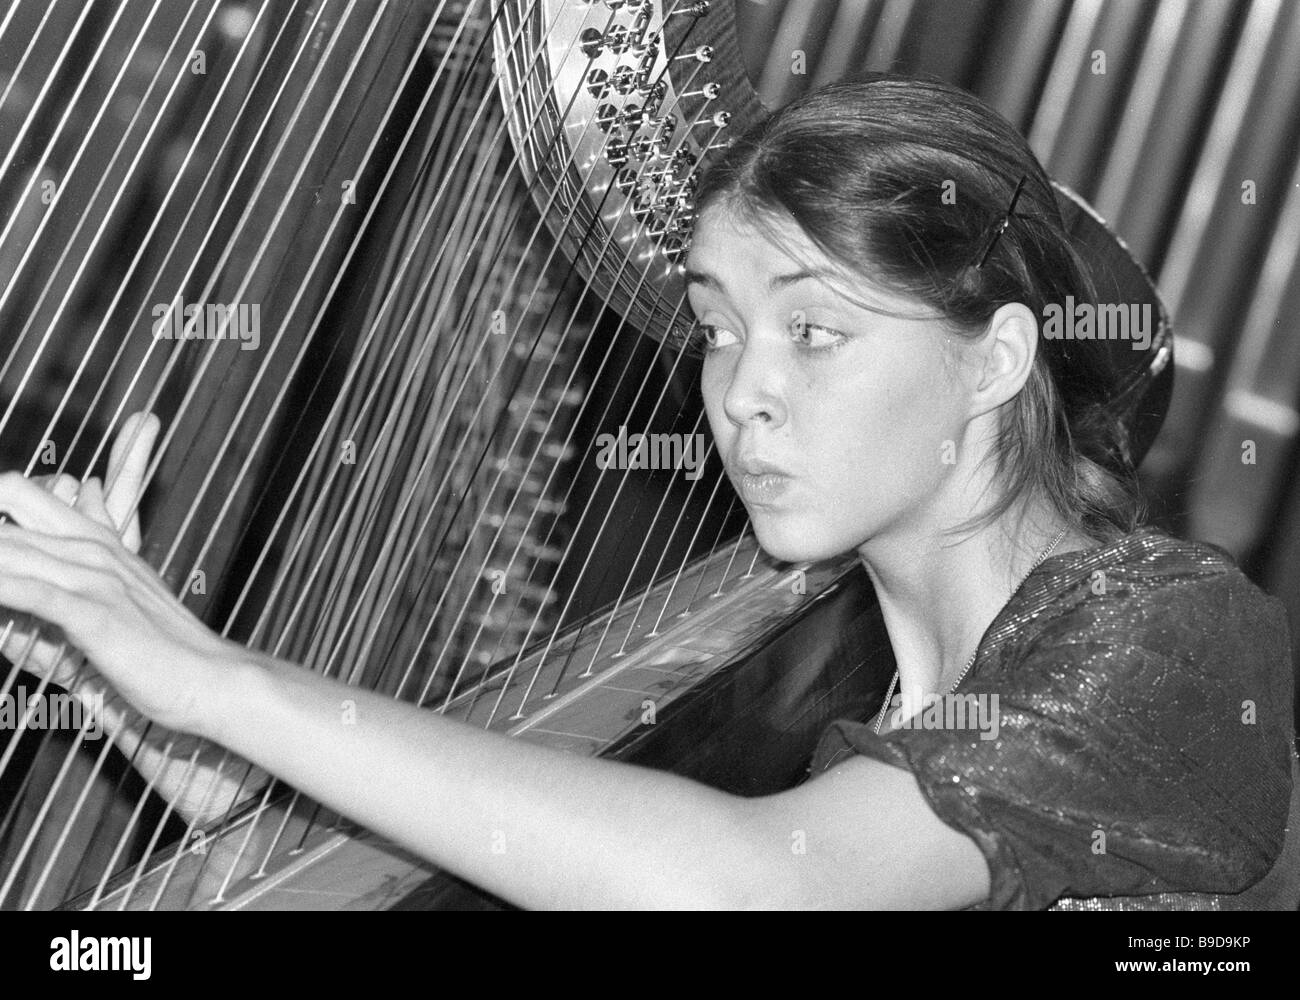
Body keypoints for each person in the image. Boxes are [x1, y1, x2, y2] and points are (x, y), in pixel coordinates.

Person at [0, 75, 1295, 910]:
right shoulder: (809, 662)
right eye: (718, 327)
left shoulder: (1170, 631)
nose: (739, 392)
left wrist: (214, 676)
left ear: (996, 361)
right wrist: (186, 742)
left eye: (814, 331)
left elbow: (751, 886)